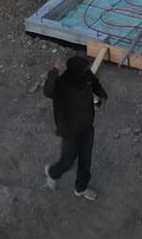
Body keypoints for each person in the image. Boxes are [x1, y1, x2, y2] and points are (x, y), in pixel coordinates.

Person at [43, 53, 107, 200]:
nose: (87, 71)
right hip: (70, 130)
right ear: (76, 71)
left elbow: (96, 85)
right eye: (84, 69)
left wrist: (102, 96)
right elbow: (48, 91)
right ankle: (53, 173)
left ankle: (81, 188)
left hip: (86, 127)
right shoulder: (61, 85)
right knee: (68, 160)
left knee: (86, 161)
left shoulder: (87, 78)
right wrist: (54, 71)